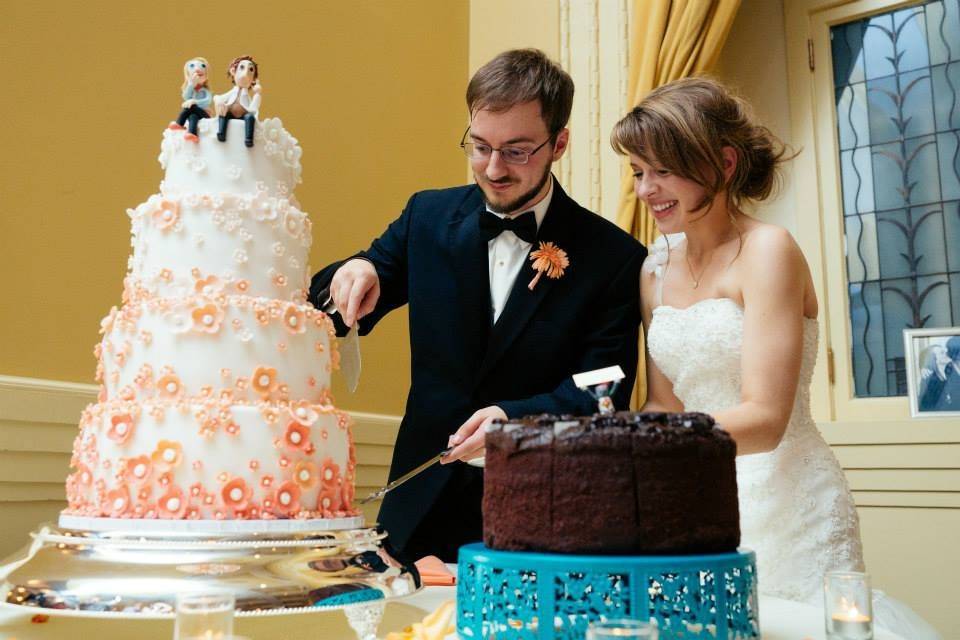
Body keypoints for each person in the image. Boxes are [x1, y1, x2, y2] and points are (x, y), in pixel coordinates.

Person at [611, 76, 940, 638]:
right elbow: (665, 401)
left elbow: (765, 420)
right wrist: (603, 446)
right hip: (694, 497)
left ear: (723, 163)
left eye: (663, 170)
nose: (646, 190)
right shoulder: (654, 267)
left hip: (788, 503)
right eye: (639, 172)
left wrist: (640, 443)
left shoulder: (769, 251)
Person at [310, 49, 646, 563]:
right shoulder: (427, 216)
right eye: (479, 146)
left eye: (516, 151)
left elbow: (604, 392)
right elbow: (333, 303)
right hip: (416, 508)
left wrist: (514, 420)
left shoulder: (614, 258)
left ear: (559, 143)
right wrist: (354, 271)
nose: (492, 169)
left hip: (541, 517)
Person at [214, 55, 261, 147]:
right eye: (242, 67)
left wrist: (257, 95)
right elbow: (218, 97)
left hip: (243, 116)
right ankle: (221, 133)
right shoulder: (232, 92)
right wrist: (219, 101)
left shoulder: (247, 96)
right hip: (230, 114)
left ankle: (248, 139)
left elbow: (253, 108)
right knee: (223, 114)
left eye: (251, 70)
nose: (246, 72)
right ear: (233, 71)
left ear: (253, 80)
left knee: (250, 118)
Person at [918, 343, 950, 411]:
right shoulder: (929, 378)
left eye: (945, 351)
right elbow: (927, 406)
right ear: (933, 359)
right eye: (942, 352)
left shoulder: (949, 371)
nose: (946, 353)